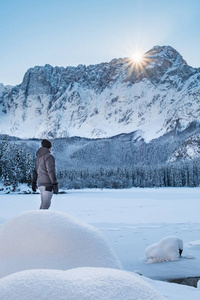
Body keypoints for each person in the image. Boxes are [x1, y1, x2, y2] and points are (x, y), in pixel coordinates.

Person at [32, 139, 58, 209]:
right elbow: (51, 171)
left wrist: (34, 182)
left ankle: (40, 218)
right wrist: (55, 184)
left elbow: (35, 171)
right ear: (49, 148)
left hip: (40, 184)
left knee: (43, 204)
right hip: (48, 185)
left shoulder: (38, 158)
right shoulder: (49, 156)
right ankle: (40, 219)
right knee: (46, 205)